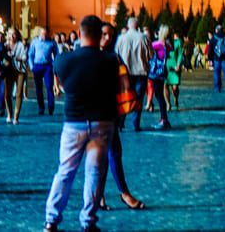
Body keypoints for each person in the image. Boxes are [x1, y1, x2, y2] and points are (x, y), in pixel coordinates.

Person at [43, 16, 117, 232]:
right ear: (99, 34)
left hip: (74, 122)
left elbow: (63, 84)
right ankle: (88, 221)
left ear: (80, 32)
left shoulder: (63, 60)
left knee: (65, 171)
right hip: (102, 122)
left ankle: (51, 220)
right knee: (94, 173)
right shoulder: (110, 61)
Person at [98, 23, 145, 211]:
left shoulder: (114, 58)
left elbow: (124, 81)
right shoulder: (90, 56)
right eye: (104, 34)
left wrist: (132, 98)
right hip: (95, 115)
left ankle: (101, 195)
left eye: (111, 35)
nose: (107, 38)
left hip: (110, 113)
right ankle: (123, 193)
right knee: (111, 154)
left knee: (109, 153)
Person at [114, 17, 151, 131]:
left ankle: (120, 123)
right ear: (137, 25)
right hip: (141, 73)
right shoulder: (143, 38)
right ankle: (135, 124)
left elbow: (116, 55)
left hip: (125, 73)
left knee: (124, 97)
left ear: (128, 26)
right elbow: (151, 54)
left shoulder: (121, 38)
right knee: (138, 99)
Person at [147, 25, 172, 130]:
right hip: (162, 72)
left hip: (156, 73)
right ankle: (164, 119)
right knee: (160, 95)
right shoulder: (168, 45)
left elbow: (148, 47)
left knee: (159, 96)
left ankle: (163, 120)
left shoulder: (157, 44)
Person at [29, 28, 58, 116]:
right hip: (37, 66)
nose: (44, 35)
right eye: (42, 34)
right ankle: (41, 107)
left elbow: (57, 54)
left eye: (45, 34)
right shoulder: (35, 42)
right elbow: (30, 54)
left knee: (49, 86)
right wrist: (31, 66)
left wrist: (54, 64)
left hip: (47, 66)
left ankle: (50, 107)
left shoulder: (52, 43)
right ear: (39, 34)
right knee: (39, 88)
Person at [4, 27, 27, 124]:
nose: (12, 36)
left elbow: (25, 57)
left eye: (14, 34)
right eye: (10, 34)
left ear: (16, 35)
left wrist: (16, 57)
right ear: (7, 35)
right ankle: (9, 113)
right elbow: (1, 58)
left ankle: (16, 116)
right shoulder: (5, 45)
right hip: (8, 71)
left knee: (19, 93)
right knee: (6, 94)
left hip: (20, 70)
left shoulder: (21, 45)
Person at [208, 25, 225, 92]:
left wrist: (210, 58)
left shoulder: (214, 37)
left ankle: (217, 87)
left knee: (216, 73)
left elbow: (210, 49)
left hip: (216, 58)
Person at [166, 32, 184, 110]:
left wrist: (178, 64)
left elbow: (180, 54)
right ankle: (168, 103)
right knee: (165, 85)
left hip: (175, 66)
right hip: (165, 66)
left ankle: (175, 98)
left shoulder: (177, 43)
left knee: (175, 87)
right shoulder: (162, 43)